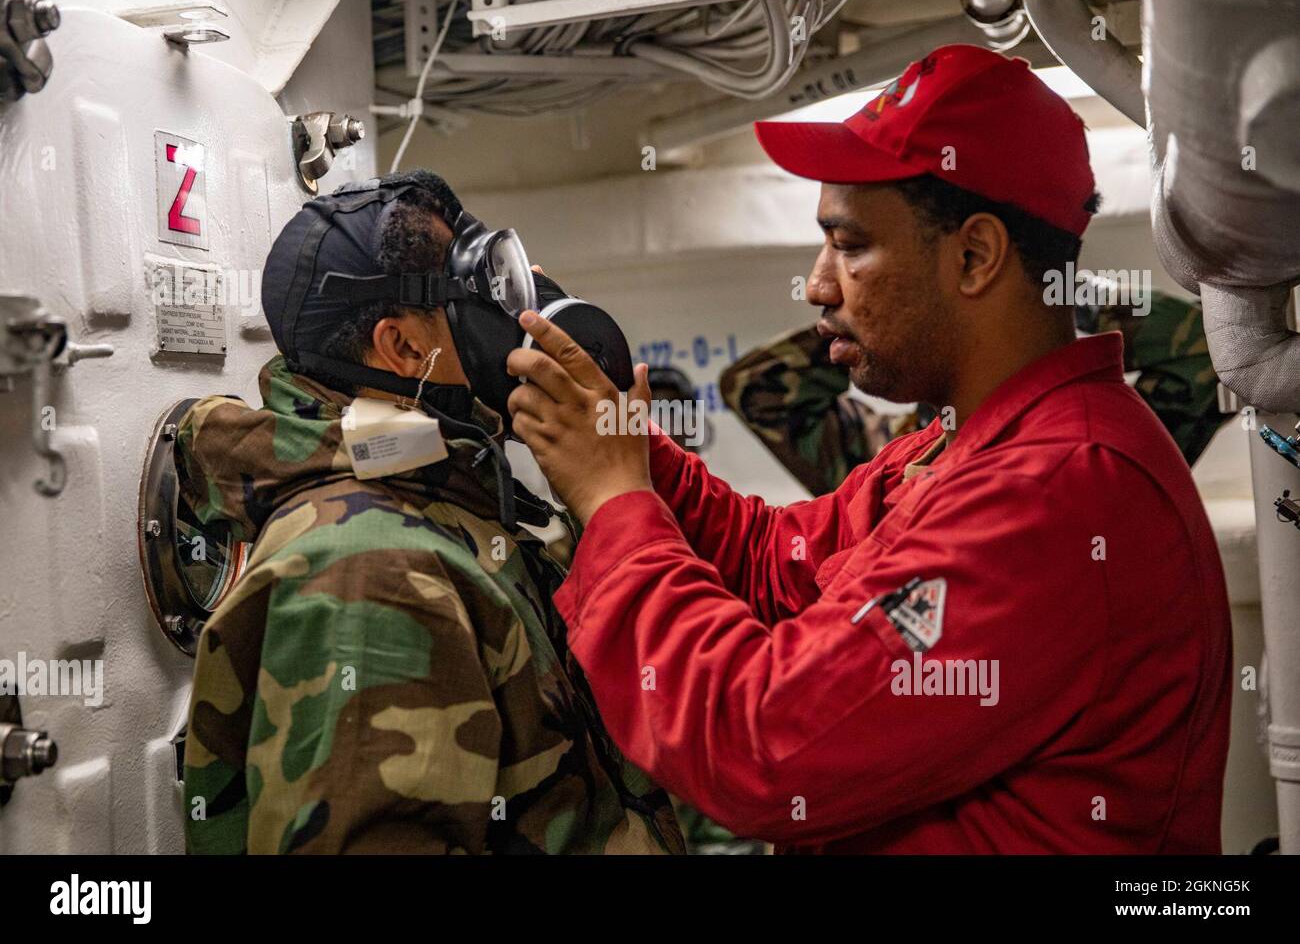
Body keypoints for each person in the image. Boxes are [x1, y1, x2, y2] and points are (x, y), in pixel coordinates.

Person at [505, 45, 1232, 853]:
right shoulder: (953, 450)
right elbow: (772, 565)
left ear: (974, 256)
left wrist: (617, 503)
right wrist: (613, 433)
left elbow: (760, 745)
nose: (819, 285)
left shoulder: (1054, 490)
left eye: (849, 246)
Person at [178, 170, 682, 855]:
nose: (508, 312)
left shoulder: (451, 489)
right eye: (480, 292)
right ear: (406, 348)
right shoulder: (367, 572)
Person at [721, 289, 1228, 496]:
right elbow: (755, 387)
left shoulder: (1089, 461)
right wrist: (878, 315)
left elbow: (1211, 353)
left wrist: (1057, 300)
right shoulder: (881, 461)